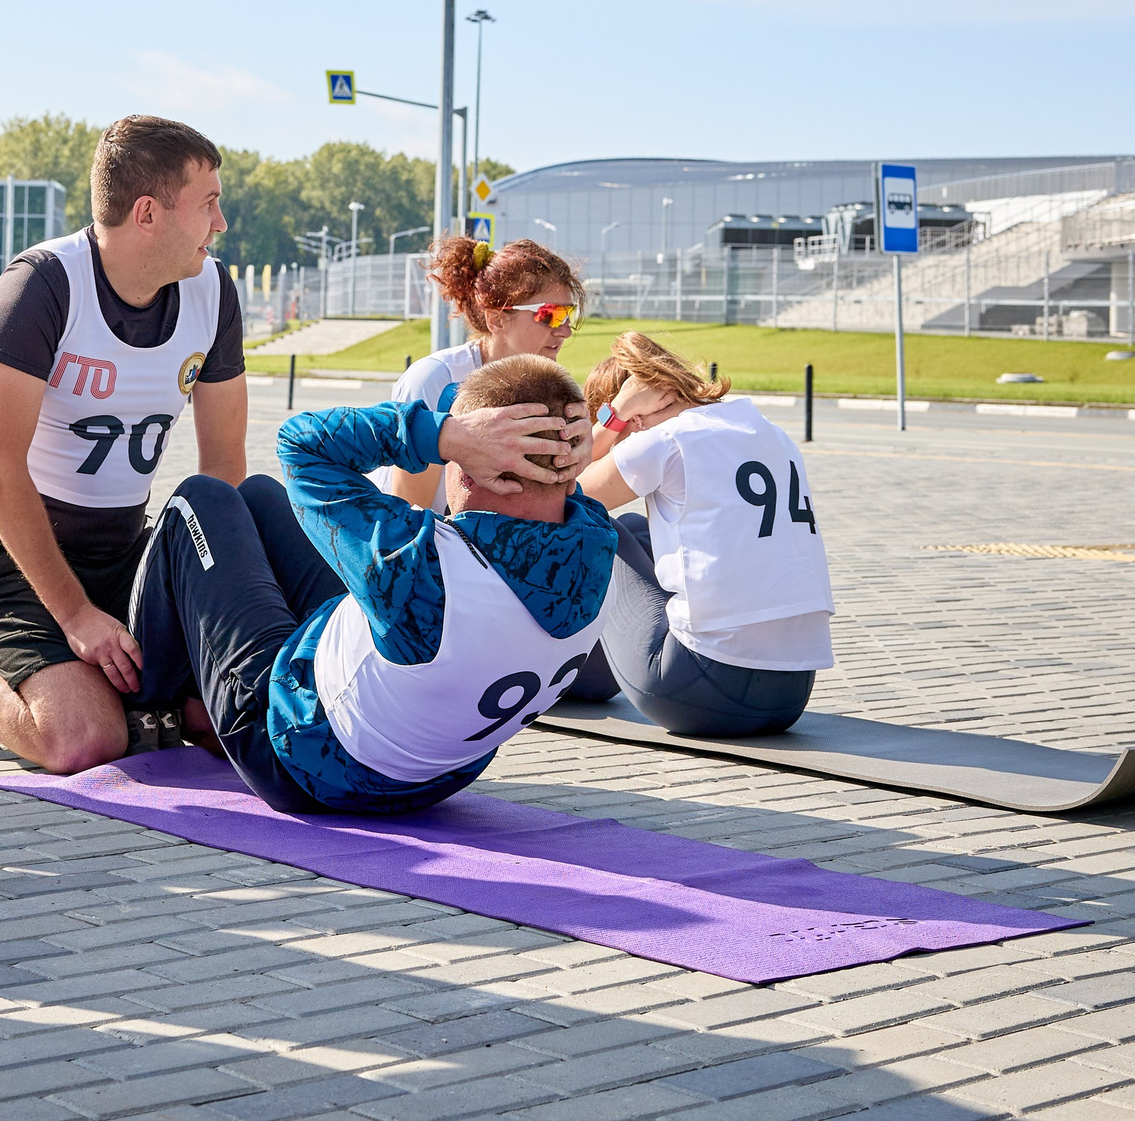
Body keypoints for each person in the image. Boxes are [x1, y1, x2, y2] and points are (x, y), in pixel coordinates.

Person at [0, 116, 248, 772]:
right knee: (80, 737)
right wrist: (77, 615)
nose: (222, 222)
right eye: (209, 203)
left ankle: (142, 708)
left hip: (119, 546)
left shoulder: (213, 292)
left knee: (226, 712)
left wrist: (220, 615)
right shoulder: (42, 285)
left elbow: (226, 469)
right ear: (148, 212)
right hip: (1, 536)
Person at [127, 354, 607, 812]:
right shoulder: (598, 543)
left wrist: (442, 436)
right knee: (259, 496)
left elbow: (301, 441)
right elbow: (555, 497)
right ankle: (198, 694)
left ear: (475, 470)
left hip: (300, 763)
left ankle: (143, 698)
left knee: (202, 497)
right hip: (436, 777)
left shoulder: (417, 561)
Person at [572, 332, 833, 738]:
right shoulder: (769, 432)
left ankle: (572, 673)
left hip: (698, 691)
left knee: (593, 524)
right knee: (640, 529)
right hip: (791, 696)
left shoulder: (666, 438)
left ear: (640, 412)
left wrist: (613, 416)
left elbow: (564, 494)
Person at [383, 235, 586, 509]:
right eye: (550, 314)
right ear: (497, 319)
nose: (564, 331)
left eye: (568, 315)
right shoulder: (435, 380)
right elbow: (409, 509)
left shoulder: (547, 383)